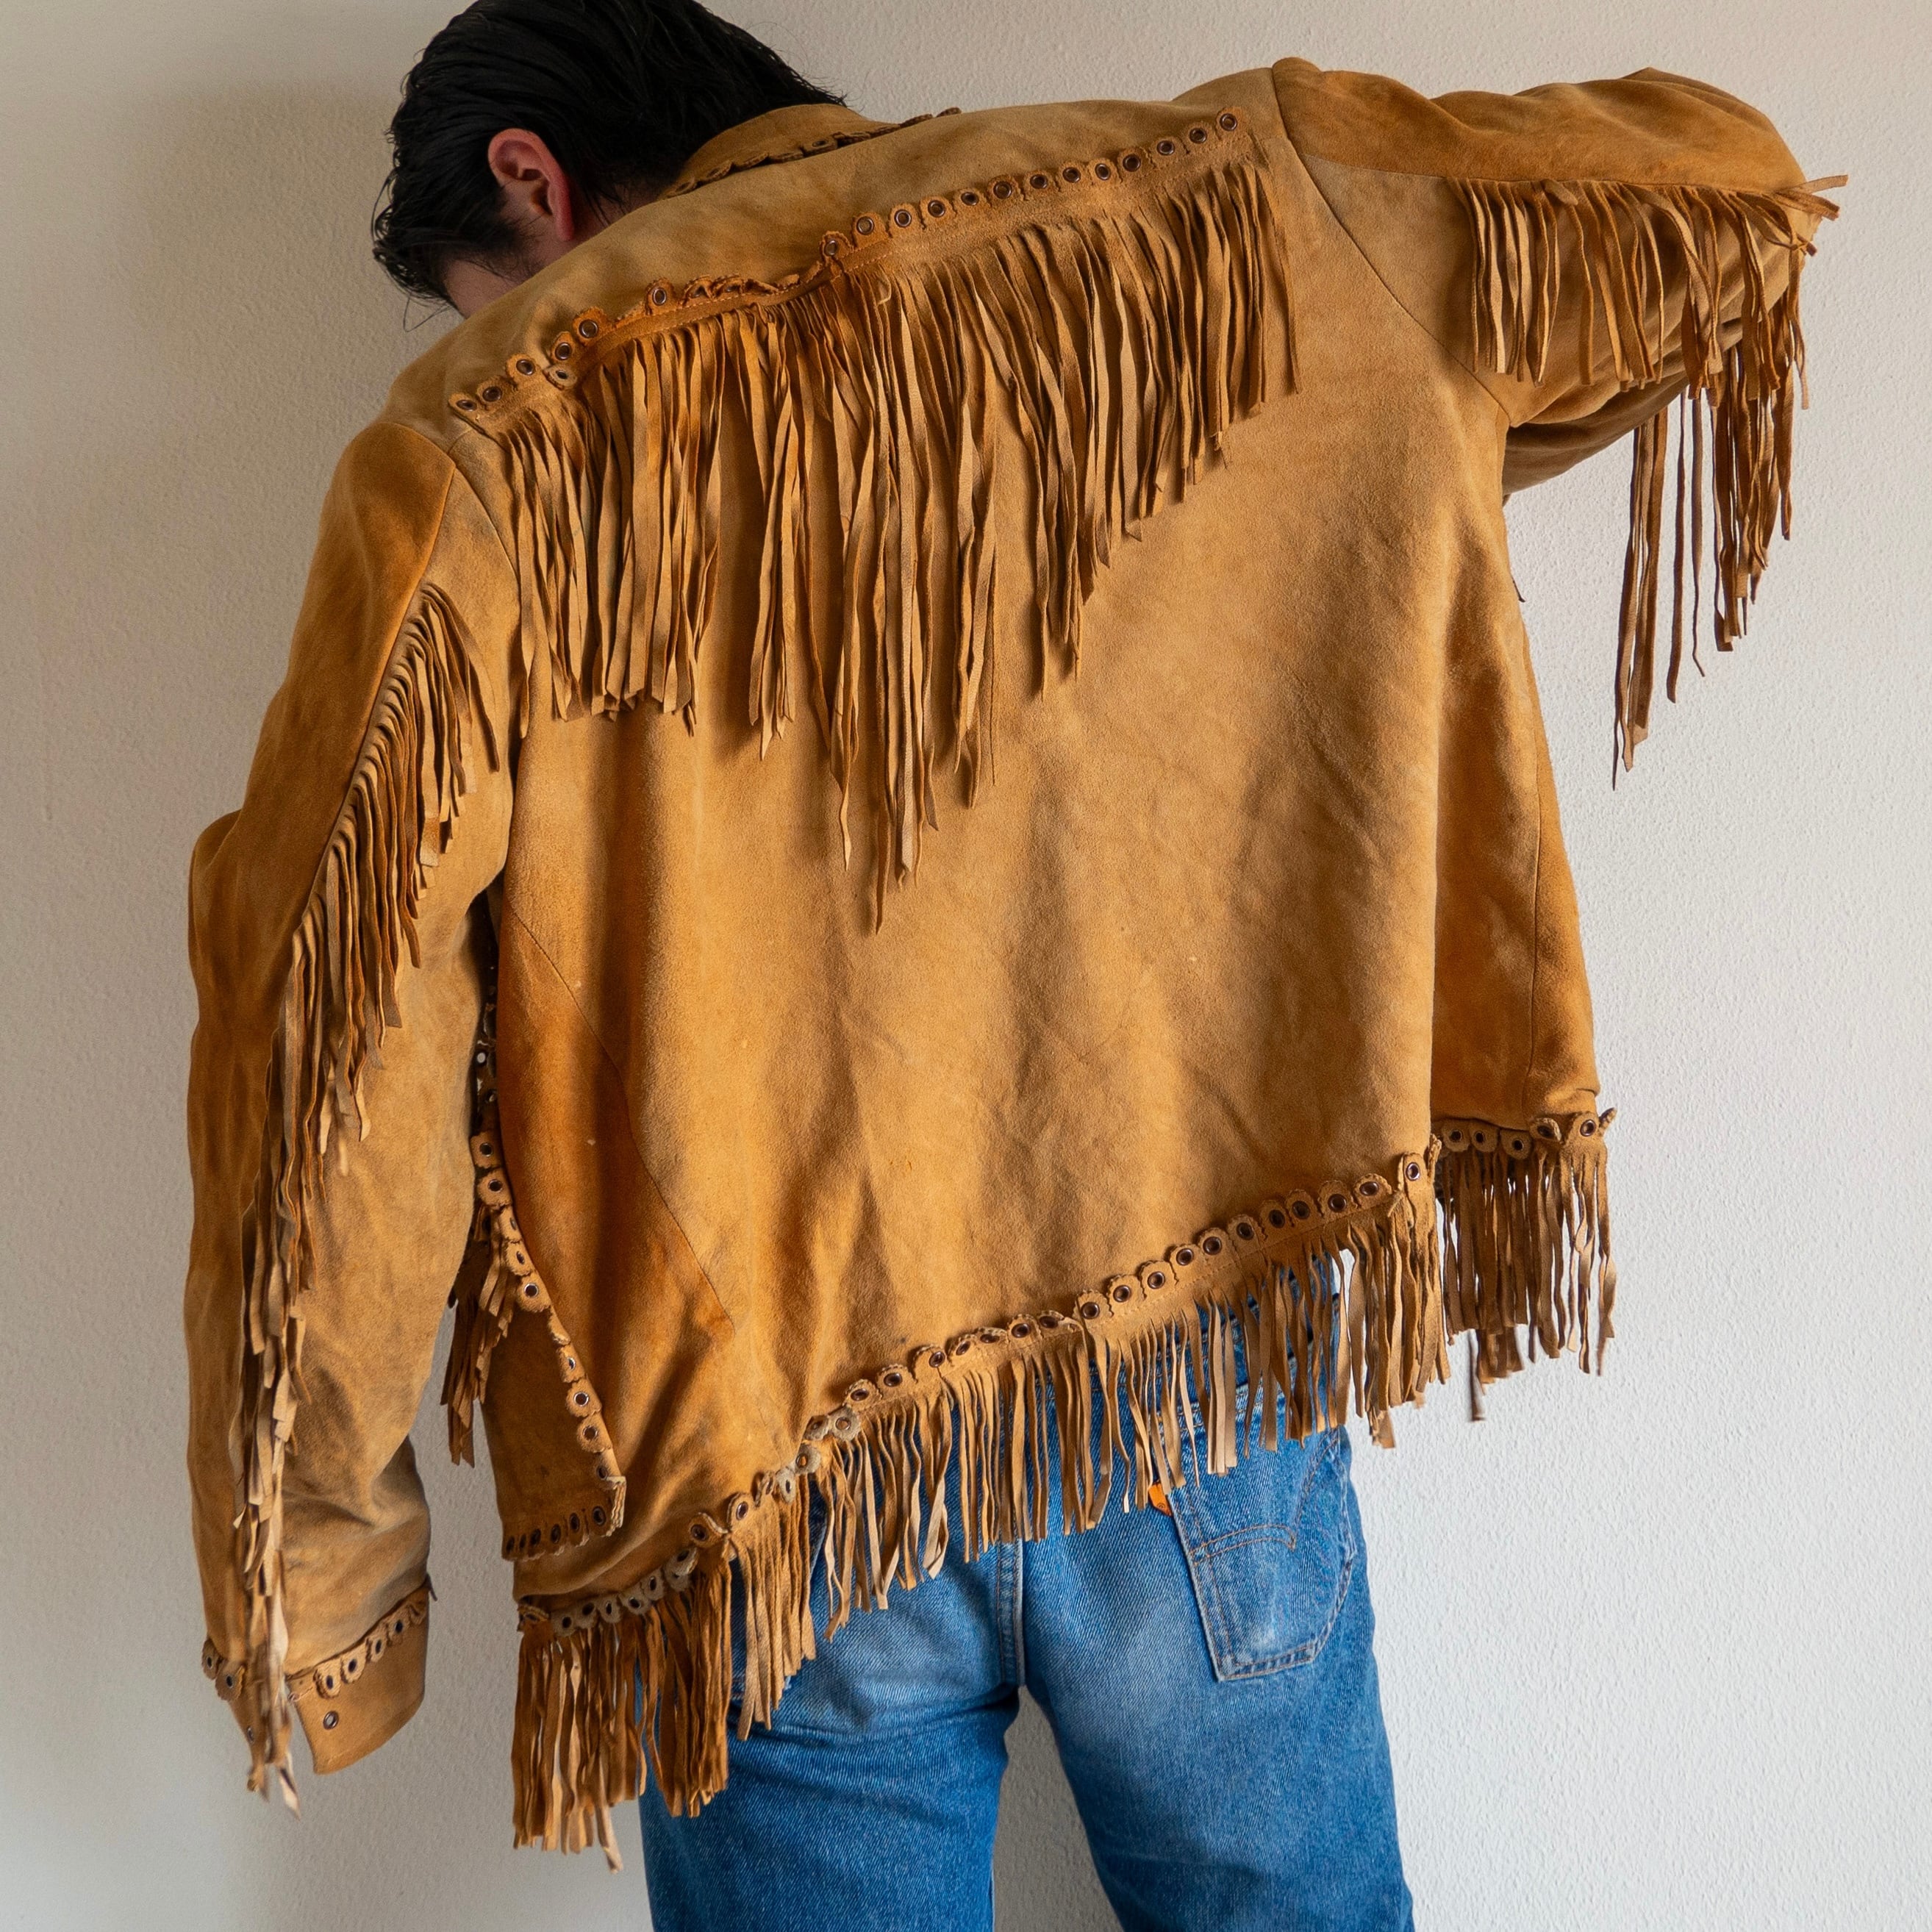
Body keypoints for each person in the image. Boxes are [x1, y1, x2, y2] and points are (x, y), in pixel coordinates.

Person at [182, 2, 1837, 1927]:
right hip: (1205, 1377)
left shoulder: (490, 438)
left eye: (492, 292)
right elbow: (1722, 192)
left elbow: (325, 1026)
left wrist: (322, 1579)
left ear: (532, 182)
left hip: (769, 1462)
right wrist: (1386, 423)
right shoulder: (1243, 217)